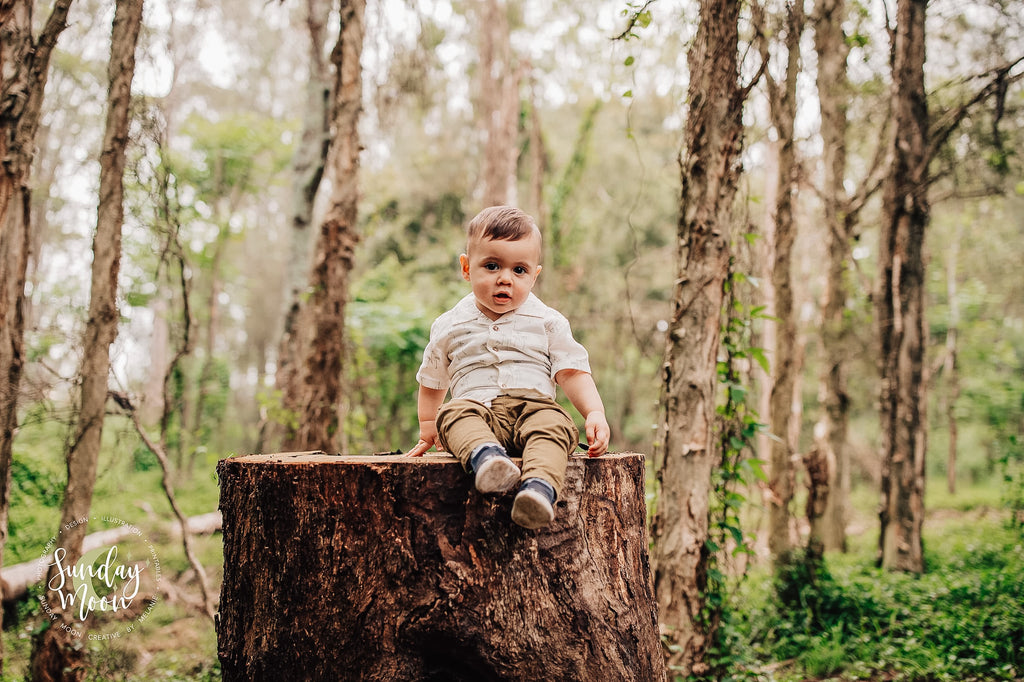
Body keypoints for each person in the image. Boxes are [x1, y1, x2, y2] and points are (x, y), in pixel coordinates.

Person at [405, 205, 610, 529]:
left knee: (557, 424)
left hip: (534, 408)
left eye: (519, 270)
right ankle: (487, 459)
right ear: (466, 268)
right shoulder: (449, 325)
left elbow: (571, 371)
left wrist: (594, 413)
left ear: (534, 275)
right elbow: (432, 379)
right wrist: (429, 425)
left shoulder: (548, 321)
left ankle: (539, 489)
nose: (505, 279)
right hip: (477, 413)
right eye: (491, 265)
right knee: (453, 414)